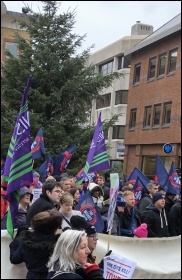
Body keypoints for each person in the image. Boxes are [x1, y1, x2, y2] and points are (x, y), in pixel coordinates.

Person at [9, 209, 63, 279]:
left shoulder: (27, 242)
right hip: (52, 276)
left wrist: (18, 238)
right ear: (54, 228)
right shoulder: (58, 244)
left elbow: (15, 259)